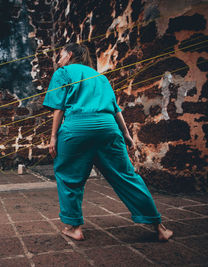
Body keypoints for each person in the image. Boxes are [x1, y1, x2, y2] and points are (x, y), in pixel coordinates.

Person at [43, 43, 173, 241]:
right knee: (127, 176)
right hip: (108, 129)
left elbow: (58, 108)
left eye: (60, 55)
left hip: (76, 129)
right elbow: (115, 109)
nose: (58, 60)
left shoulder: (63, 72)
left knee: (69, 177)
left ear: (70, 55)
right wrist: (126, 134)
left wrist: (53, 137)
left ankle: (74, 228)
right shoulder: (100, 77)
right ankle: (159, 227)